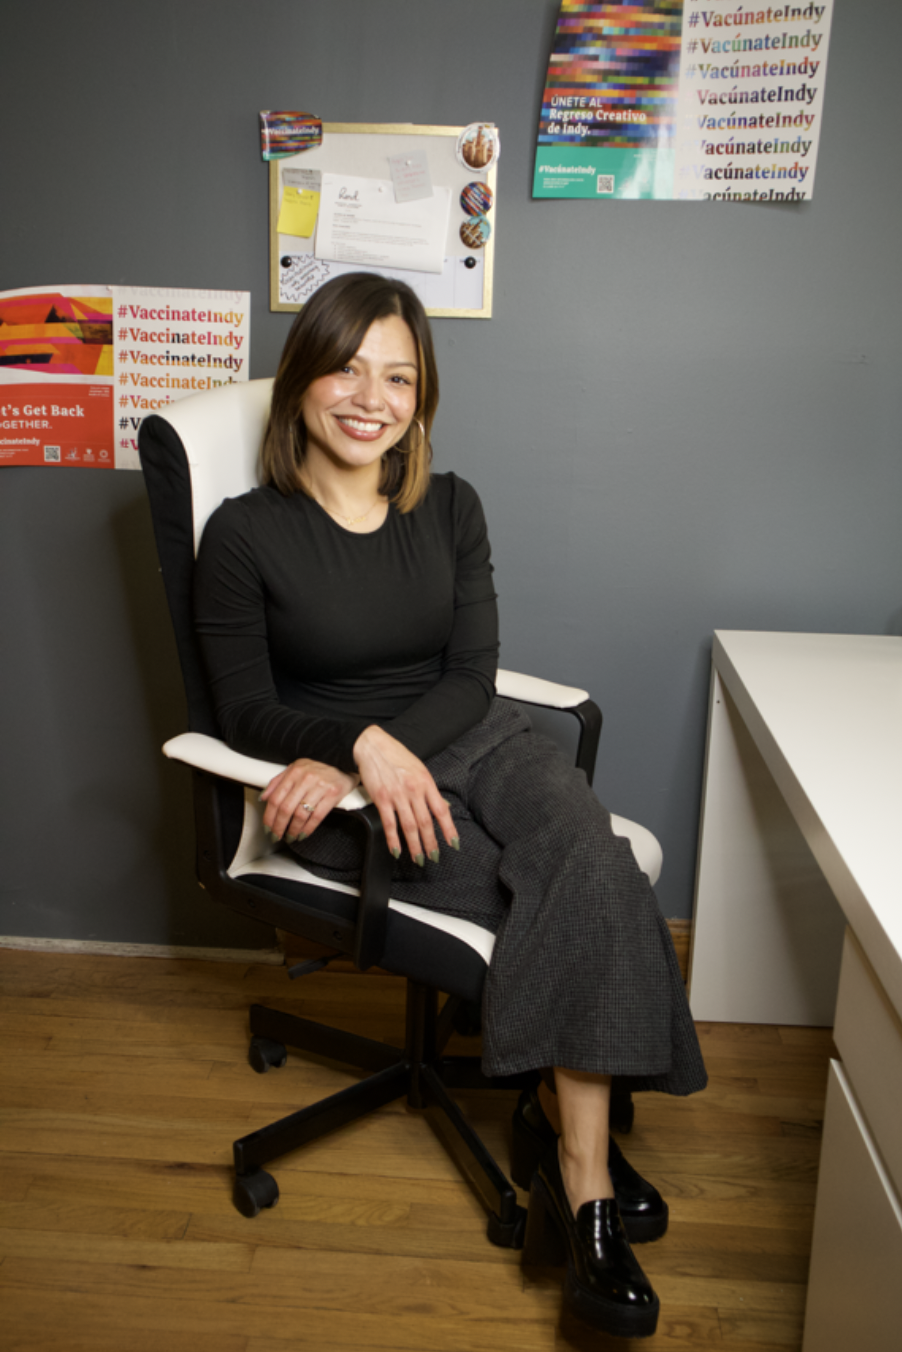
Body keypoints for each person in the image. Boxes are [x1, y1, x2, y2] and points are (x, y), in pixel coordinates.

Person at [193, 271, 706, 1340]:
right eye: (344, 366)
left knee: (583, 849)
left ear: (421, 397)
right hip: (342, 788)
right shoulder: (243, 535)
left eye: (397, 375)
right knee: (564, 891)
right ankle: (586, 1181)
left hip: (473, 738)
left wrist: (394, 746)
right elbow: (243, 704)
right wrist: (354, 753)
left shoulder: (451, 503)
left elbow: (475, 673)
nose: (368, 396)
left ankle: (558, 1127)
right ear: (301, 381)